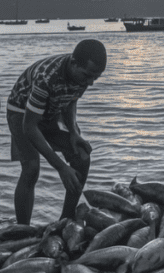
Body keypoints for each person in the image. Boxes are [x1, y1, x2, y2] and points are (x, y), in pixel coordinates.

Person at [8, 39, 106, 225]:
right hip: (21, 113)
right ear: (74, 63)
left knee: (81, 155)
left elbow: (70, 100)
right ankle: (23, 228)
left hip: (51, 112)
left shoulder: (83, 76)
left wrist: (73, 132)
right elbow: (29, 127)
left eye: (96, 77)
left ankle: (66, 220)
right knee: (31, 169)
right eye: (87, 76)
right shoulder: (46, 78)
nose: (91, 83)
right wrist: (61, 167)